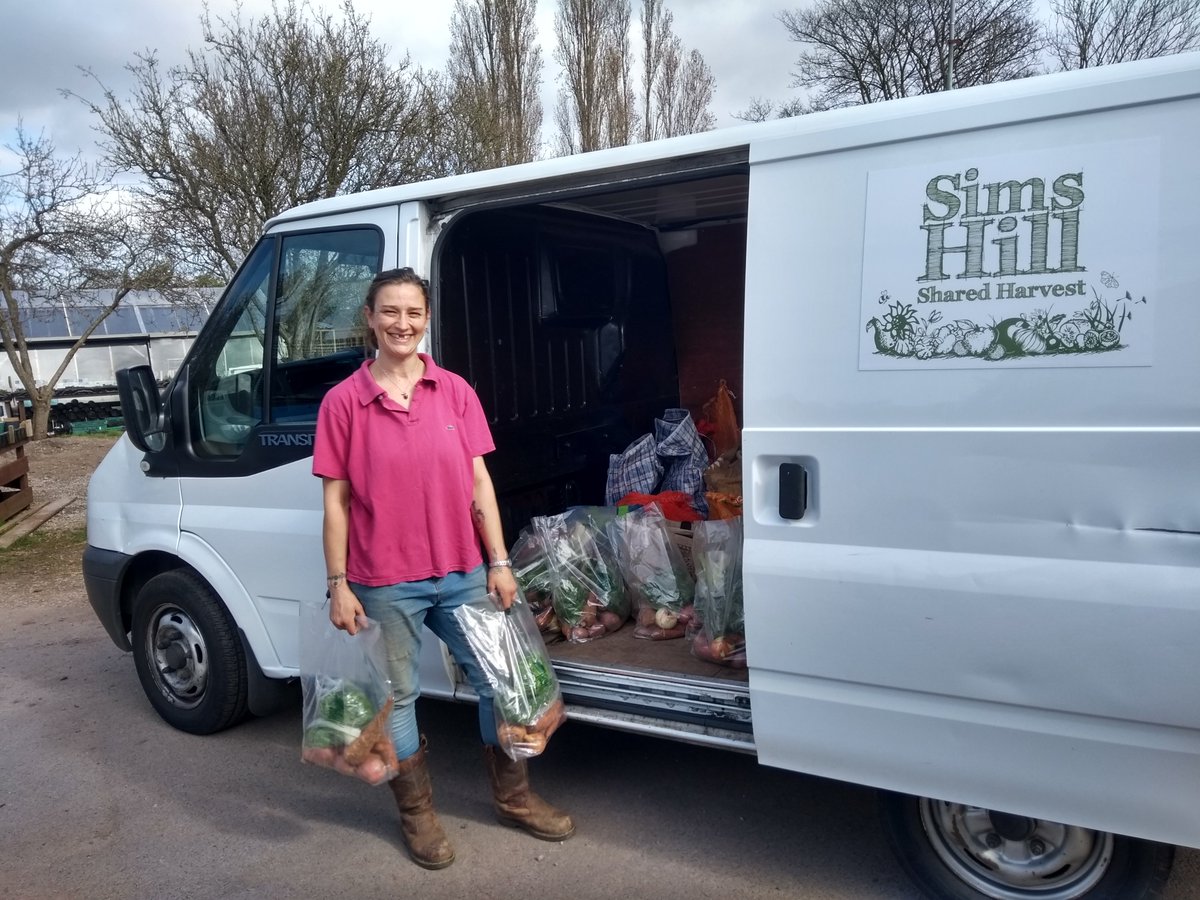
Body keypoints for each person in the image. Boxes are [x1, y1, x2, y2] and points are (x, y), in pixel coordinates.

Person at [312, 267, 575, 869]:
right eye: (389, 312)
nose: (401, 324)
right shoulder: (344, 402)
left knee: (506, 678)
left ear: (426, 320)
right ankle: (418, 818)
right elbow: (336, 502)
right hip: (382, 580)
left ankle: (514, 799)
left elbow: (480, 482)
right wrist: (339, 584)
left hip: (461, 571)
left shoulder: (455, 391)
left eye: (413, 313)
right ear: (370, 319)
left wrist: (500, 560)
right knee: (397, 699)